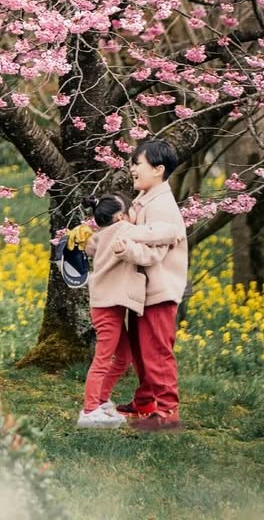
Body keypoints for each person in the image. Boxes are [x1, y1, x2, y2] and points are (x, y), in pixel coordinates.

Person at [113, 137, 188, 432]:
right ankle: (145, 402)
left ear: (157, 169)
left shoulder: (163, 205)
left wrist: (129, 237)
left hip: (159, 291)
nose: (132, 168)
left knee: (157, 351)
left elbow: (162, 240)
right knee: (141, 350)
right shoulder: (146, 200)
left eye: (137, 163)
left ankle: (167, 412)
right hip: (144, 292)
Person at [77, 192, 168, 428]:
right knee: (103, 358)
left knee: (124, 356)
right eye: (132, 209)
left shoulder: (100, 235)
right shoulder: (124, 229)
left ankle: (101, 401)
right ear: (121, 216)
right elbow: (152, 235)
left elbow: (90, 248)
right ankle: (89, 411)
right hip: (108, 307)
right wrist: (173, 236)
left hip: (107, 305)